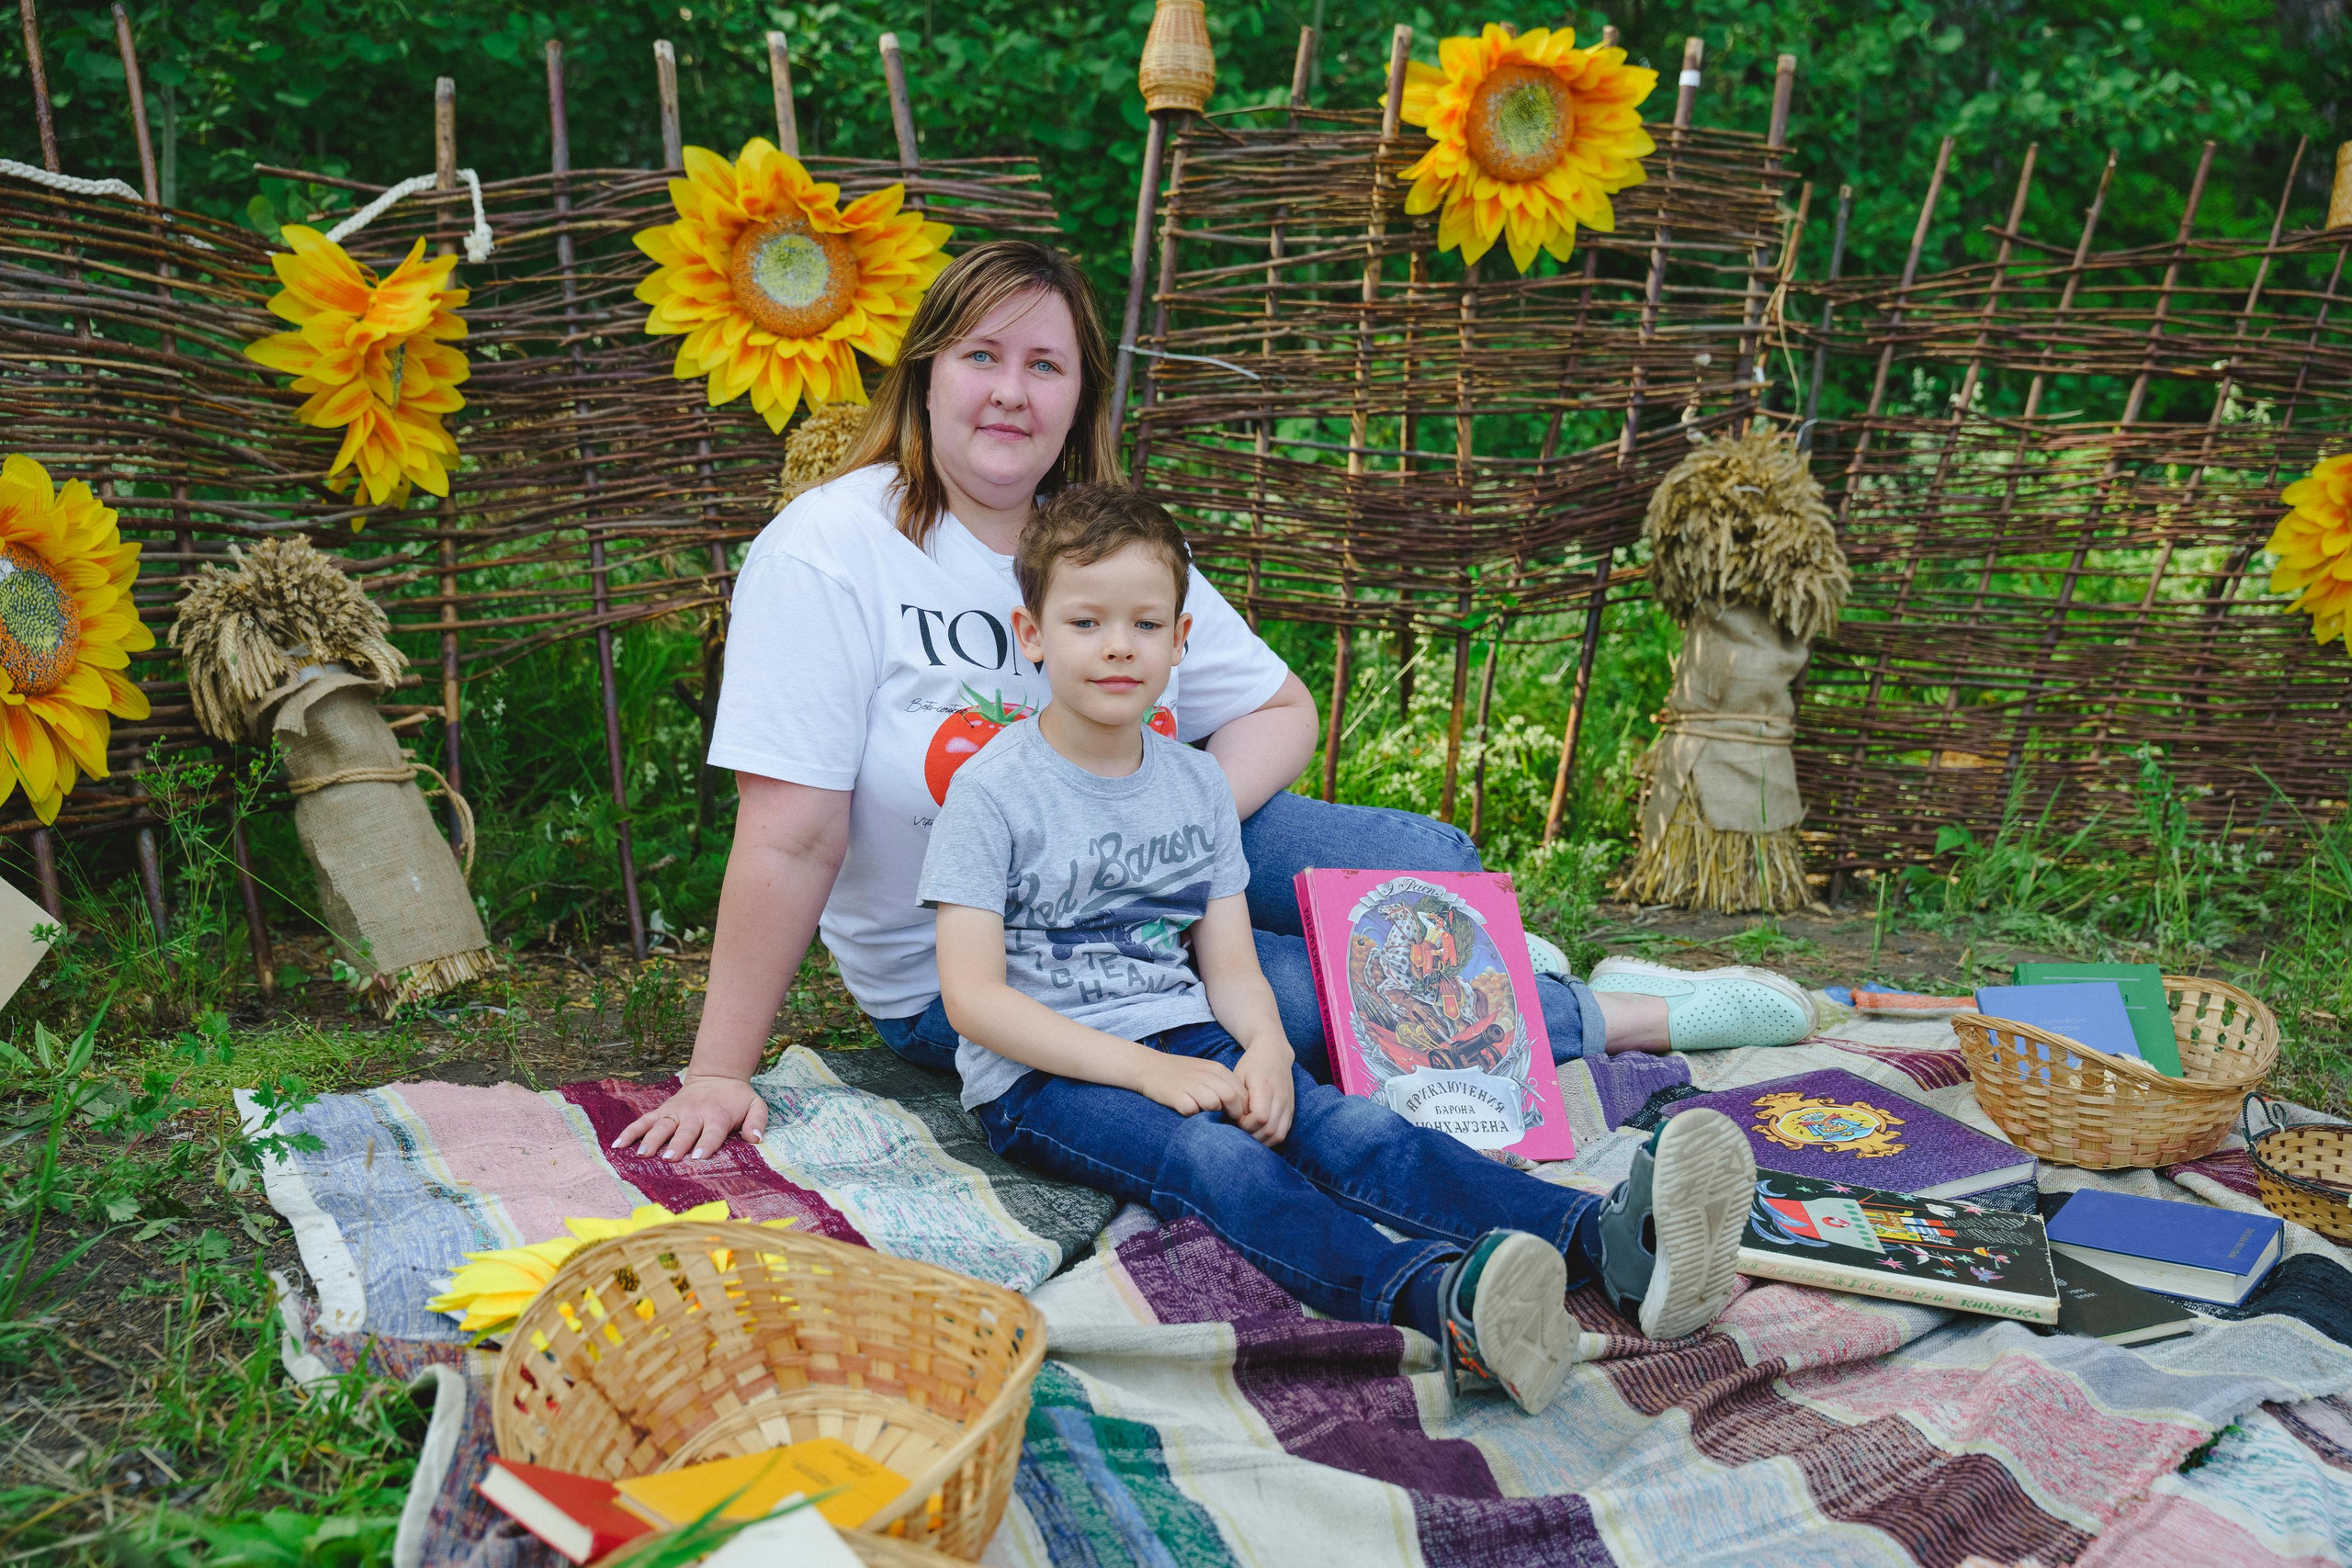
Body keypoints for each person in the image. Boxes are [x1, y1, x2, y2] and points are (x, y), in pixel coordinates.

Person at [611, 238, 1815, 1164]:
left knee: (1423, 853)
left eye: (1046, 364)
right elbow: (792, 830)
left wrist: (1166, 830)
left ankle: (1475, 953)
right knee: (1316, 1007)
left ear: (1081, 397)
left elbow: (1280, 707)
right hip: (986, 960)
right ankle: (1612, 1014)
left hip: (1162, 851)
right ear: (924, 371)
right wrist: (721, 1069)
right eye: (981, 355)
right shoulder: (828, 550)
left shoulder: (1089, 541)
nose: (1009, 393)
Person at [919, 483, 1759, 1411]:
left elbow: (1228, 965)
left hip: (1186, 1032)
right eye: (1085, 621)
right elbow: (974, 1000)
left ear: (1179, 643)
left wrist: (1269, 1049)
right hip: (1043, 1076)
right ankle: (1443, 1302)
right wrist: (1140, 1072)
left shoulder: (1196, 786)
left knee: (1347, 1123)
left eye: (1145, 623)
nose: (1117, 645)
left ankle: (1607, 1239)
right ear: (1031, 634)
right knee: (1218, 1160)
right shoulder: (993, 791)